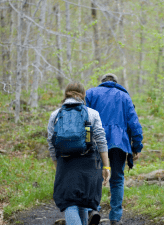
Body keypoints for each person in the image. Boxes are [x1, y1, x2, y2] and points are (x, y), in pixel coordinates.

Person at [47, 82, 110, 225]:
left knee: (70, 203)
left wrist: (57, 165)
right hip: (88, 162)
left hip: (65, 162)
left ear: (66, 94)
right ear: (83, 95)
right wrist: (106, 166)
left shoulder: (55, 115)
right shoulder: (92, 113)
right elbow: (101, 140)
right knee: (83, 201)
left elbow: (51, 142)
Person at [85, 73, 144, 225]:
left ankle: (94, 210)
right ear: (116, 83)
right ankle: (115, 218)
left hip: (95, 141)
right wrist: (137, 146)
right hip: (119, 143)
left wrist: (86, 142)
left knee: (94, 177)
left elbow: (85, 120)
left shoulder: (91, 93)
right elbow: (134, 124)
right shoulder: (124, 96)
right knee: (117, 179)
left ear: (102, 82)